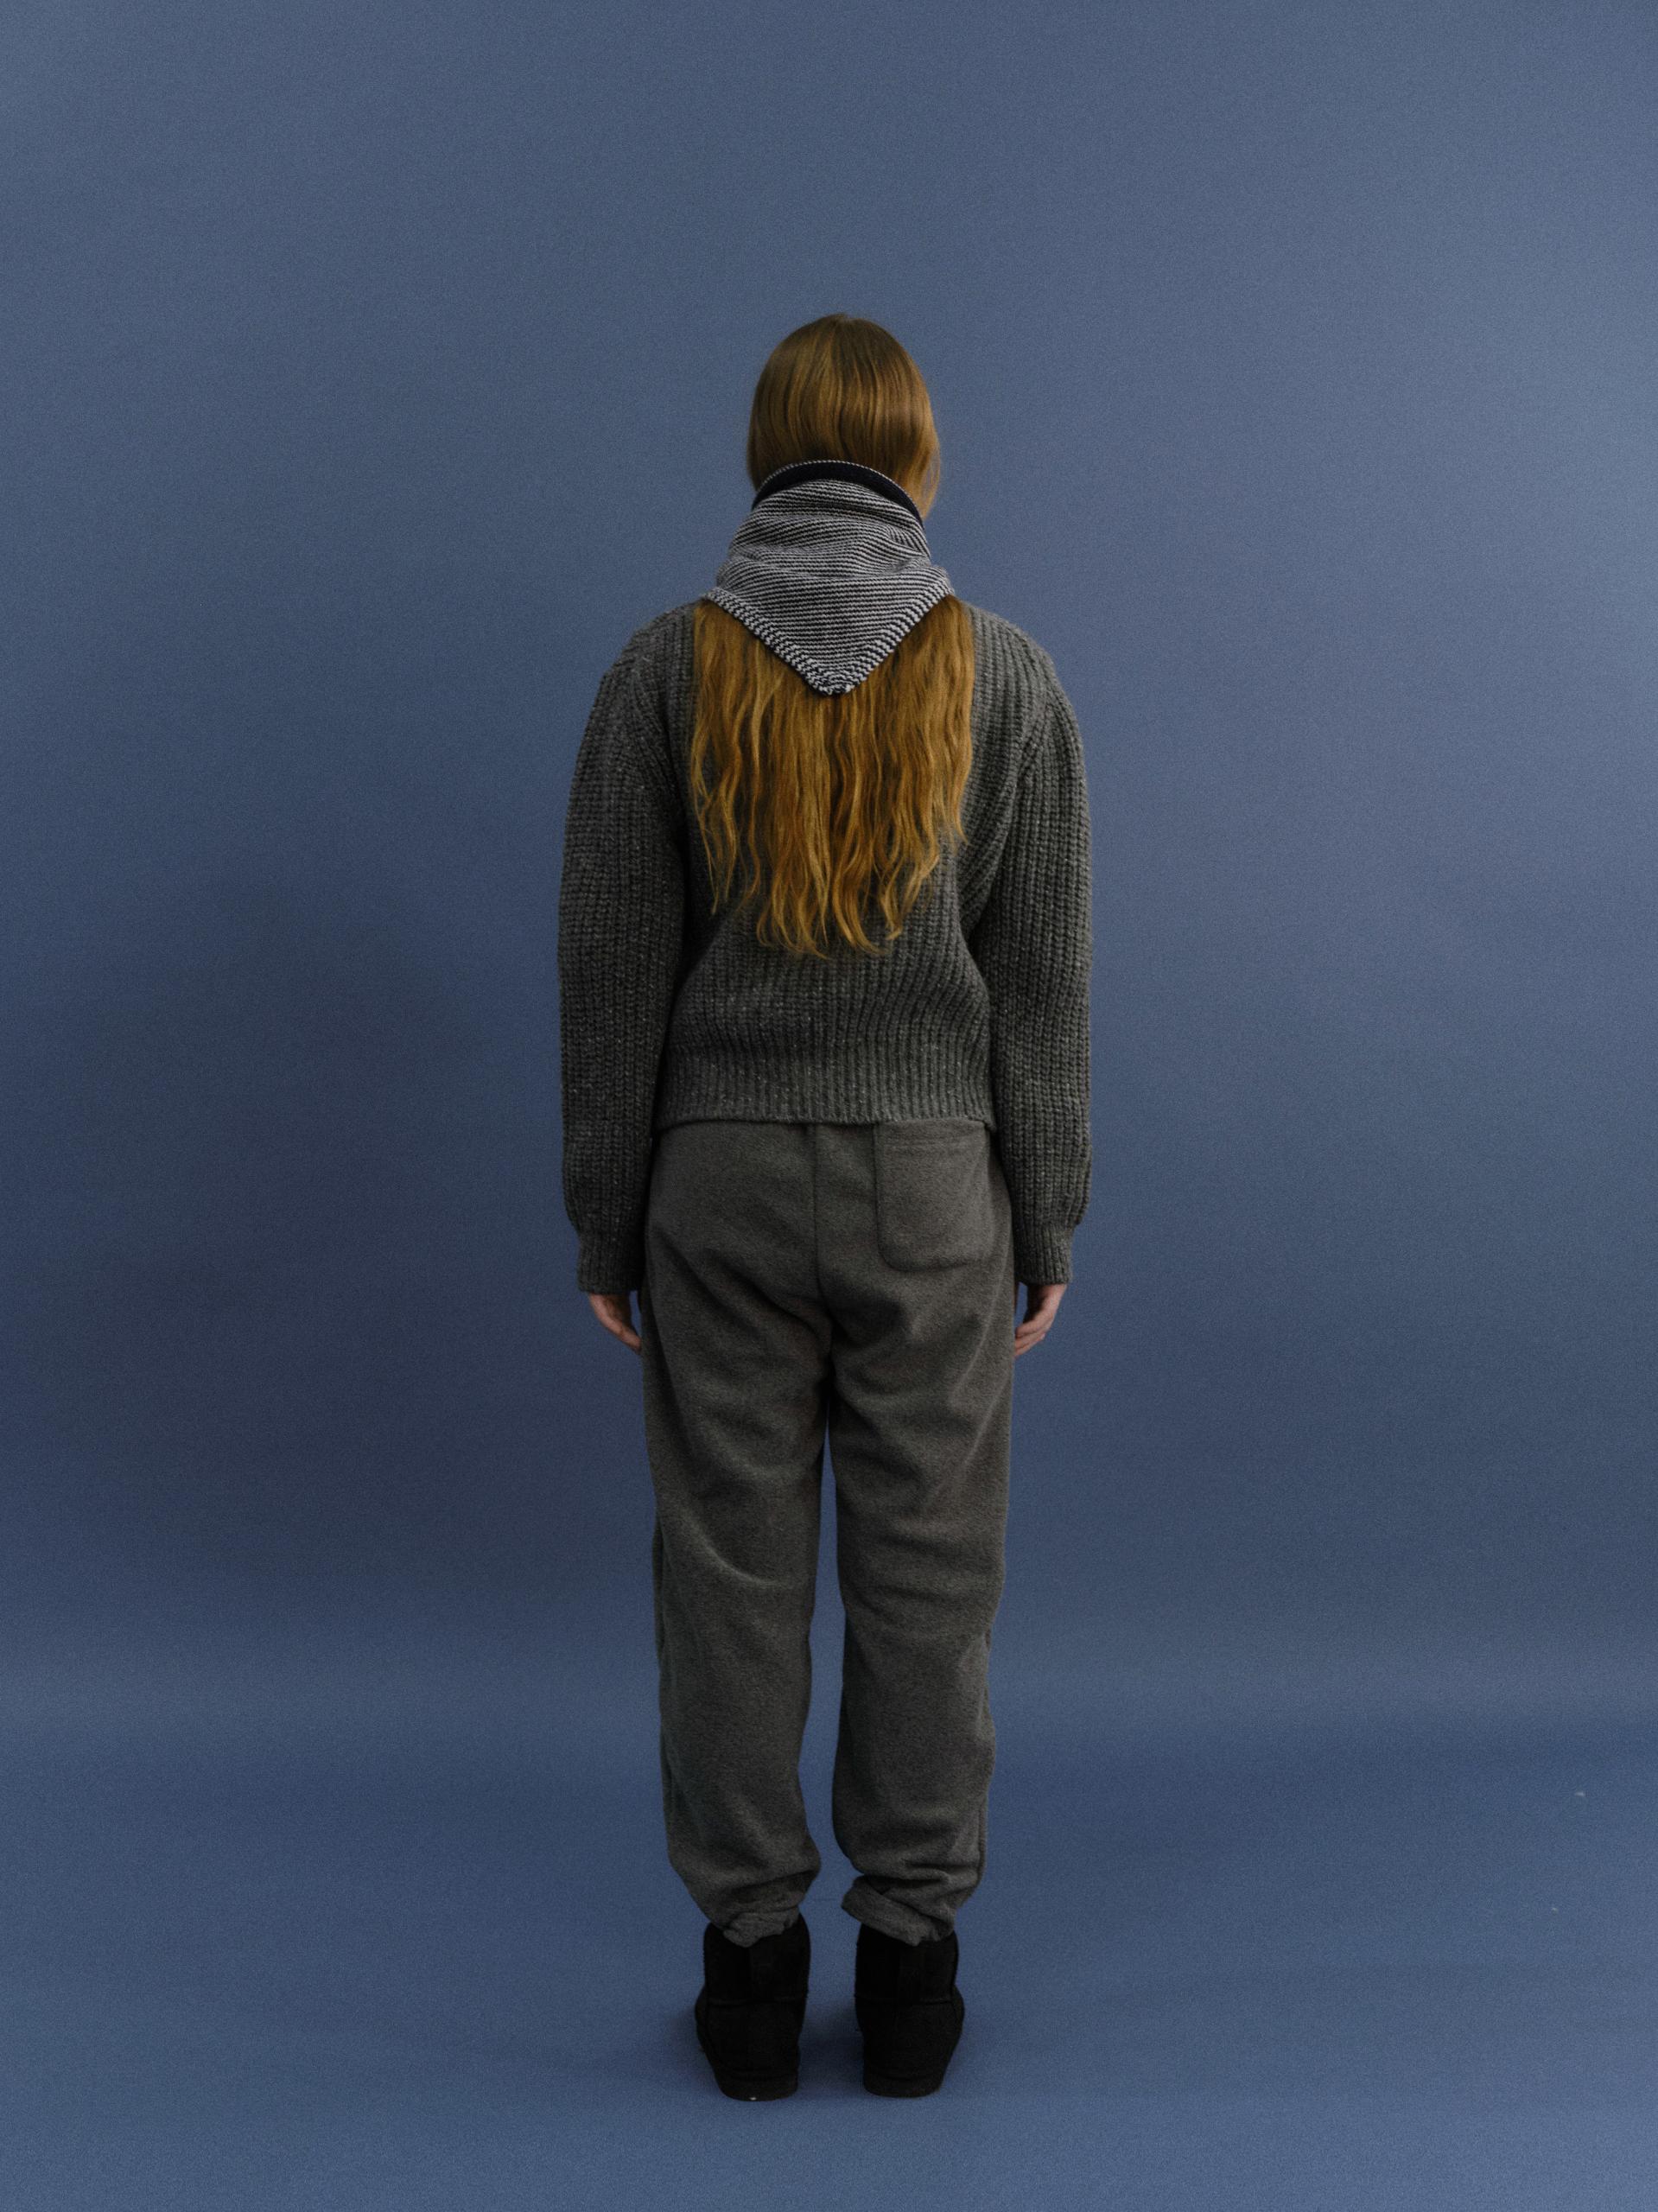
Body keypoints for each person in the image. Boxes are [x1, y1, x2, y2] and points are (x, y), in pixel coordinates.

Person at [557, 312, 1093, 2098]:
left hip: (714, 1178)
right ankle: (913, 1964)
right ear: (914, 456)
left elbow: (612, 972)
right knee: (932, 1579)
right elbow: (1040, 982)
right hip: (937, 1184)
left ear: (766, 448)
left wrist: (606, 1214)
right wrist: (1048, 1210)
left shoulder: (664, 668)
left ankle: (750, 1966)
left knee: (728, 1577)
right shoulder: (1009, 675)